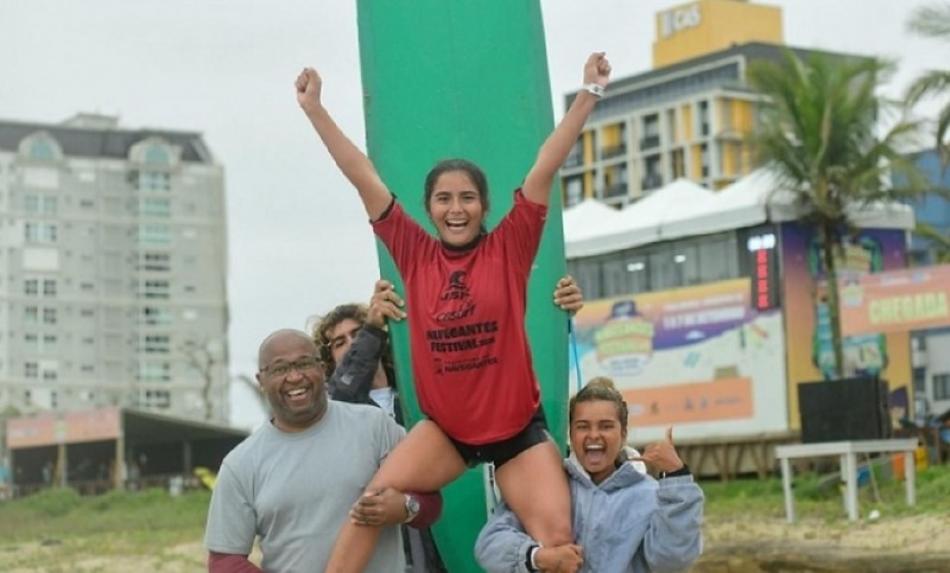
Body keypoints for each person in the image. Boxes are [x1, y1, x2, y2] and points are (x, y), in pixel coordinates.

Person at [297, 51, 611, 572]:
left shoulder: (509, 247)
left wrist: (589, 94)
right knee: (370, 506)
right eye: (444, 199)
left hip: (516, 432)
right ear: (429, 208)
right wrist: (315, 110)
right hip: (447, 432)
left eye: (468, 198)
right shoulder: (415, 253)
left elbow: (546, 165)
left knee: (560, 545)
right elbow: (362, 175)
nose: (456, 208)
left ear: (486, 207)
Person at [315, 276, 584, 572]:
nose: (352, 344)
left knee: (559, 544)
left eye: (356, 334)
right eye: (340, 342)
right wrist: (371, 329)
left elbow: (516, 302)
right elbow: (343, 393)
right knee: (371, 501)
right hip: (407, 548)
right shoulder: (340, 410)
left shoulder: (412, 395)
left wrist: (555, 303)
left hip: (505, 429)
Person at [203, 329, 442, 573]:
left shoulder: (374, 426)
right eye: (280, 369)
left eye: (304, 363)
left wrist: (406, 507)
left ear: (322, 369)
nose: (295, 377)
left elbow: (431, 500)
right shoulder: (241, 463)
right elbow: (224, 561)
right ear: (261, 380)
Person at [475, 378, 704, 573]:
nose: (594, 435)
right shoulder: (547, 482)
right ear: (571, 433)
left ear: (623, 434)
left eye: (606, 426)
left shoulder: (647, 495)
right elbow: (489, 546)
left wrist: (677, 477)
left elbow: (672, 560)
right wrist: (541, 557)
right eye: (583, 426)